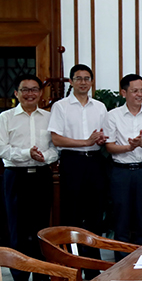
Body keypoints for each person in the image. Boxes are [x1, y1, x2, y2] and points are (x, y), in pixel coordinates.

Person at [48, 64, 108, 279]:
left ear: (91, 81)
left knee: (94, 216)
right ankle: (72, 268)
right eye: (78, 78)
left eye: (87, 78)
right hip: (72, 162)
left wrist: (100, 140)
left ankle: (93, 268)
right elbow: (56, 138)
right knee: (71, 215)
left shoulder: (100, 107)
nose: (83, 82)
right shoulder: (61, 106)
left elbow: (103, 135)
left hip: (95, 162)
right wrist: (85, 142)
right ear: (71, 82)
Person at [0, 74, 58, 281]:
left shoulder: (49, 117)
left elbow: (55, 148)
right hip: (16, 177)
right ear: (16, 93)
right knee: (17, 228)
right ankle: (20, 275)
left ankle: (41, 274)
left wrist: (44, 157)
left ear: (41, 93)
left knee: (41, 229)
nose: (30, 94)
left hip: (41, 176)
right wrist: (27, 154)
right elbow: (2, 149)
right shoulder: (5, 117)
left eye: (34, 89)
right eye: (25, 90)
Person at [104, 74, 142, 259]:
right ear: (124, 93)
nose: (140, 94)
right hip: (121, 173)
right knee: (121, 220)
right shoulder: (112, 115)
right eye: (135, 91)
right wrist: (128, 147)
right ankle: (120, 265)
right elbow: (109, 146)